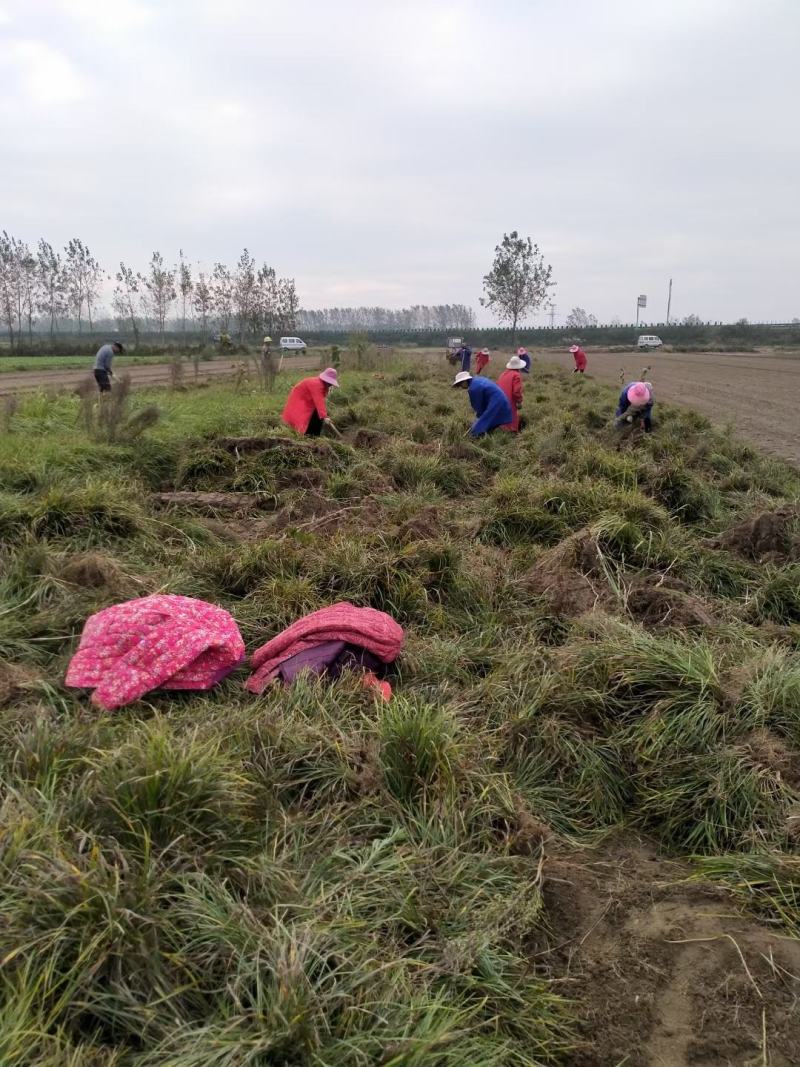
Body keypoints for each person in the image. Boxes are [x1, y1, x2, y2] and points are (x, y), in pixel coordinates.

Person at [452, 370, 512, 438]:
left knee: (481, 424)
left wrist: (478, 419)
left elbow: (478, 406)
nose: (461, 387)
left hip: (496, 402)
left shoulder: (473, 388)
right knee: (488, 421)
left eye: (460, 384)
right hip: (501, 399)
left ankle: (474, 438)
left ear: (465, 381)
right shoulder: (477, 380)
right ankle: (488, 436)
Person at [282, 367, 340, 437]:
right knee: (303, 420)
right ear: (326, 381)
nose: (331, 385)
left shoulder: (322, 384)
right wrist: (324, 416)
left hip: (307, 400)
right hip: (300, 401)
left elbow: (320, 401)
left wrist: (323, 415)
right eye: (330, 383)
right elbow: (319, 401)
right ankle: (309, 436)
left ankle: (313, 436)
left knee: (318, 416)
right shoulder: (317, 384)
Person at [497, 355, 525, 432]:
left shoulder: (503, 374)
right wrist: (519, 401)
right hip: (509, 399)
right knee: (513, 417)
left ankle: (502, 432)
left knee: (503, 417)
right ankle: (512, 432)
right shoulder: (516, 375)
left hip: (500, 399)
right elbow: (516, 392)